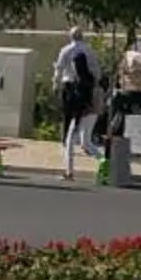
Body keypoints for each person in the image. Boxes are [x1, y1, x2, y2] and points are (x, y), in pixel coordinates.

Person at [54, 26, 102, 183]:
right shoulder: (90, 52)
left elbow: (59, 69)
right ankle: (103, 160)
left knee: (69, 137)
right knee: (85, 141)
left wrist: (55, 86)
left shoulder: (66, 50)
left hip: (72, 93)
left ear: (71, 36)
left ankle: (69, 171)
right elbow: (97, 73)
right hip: (88, 96)